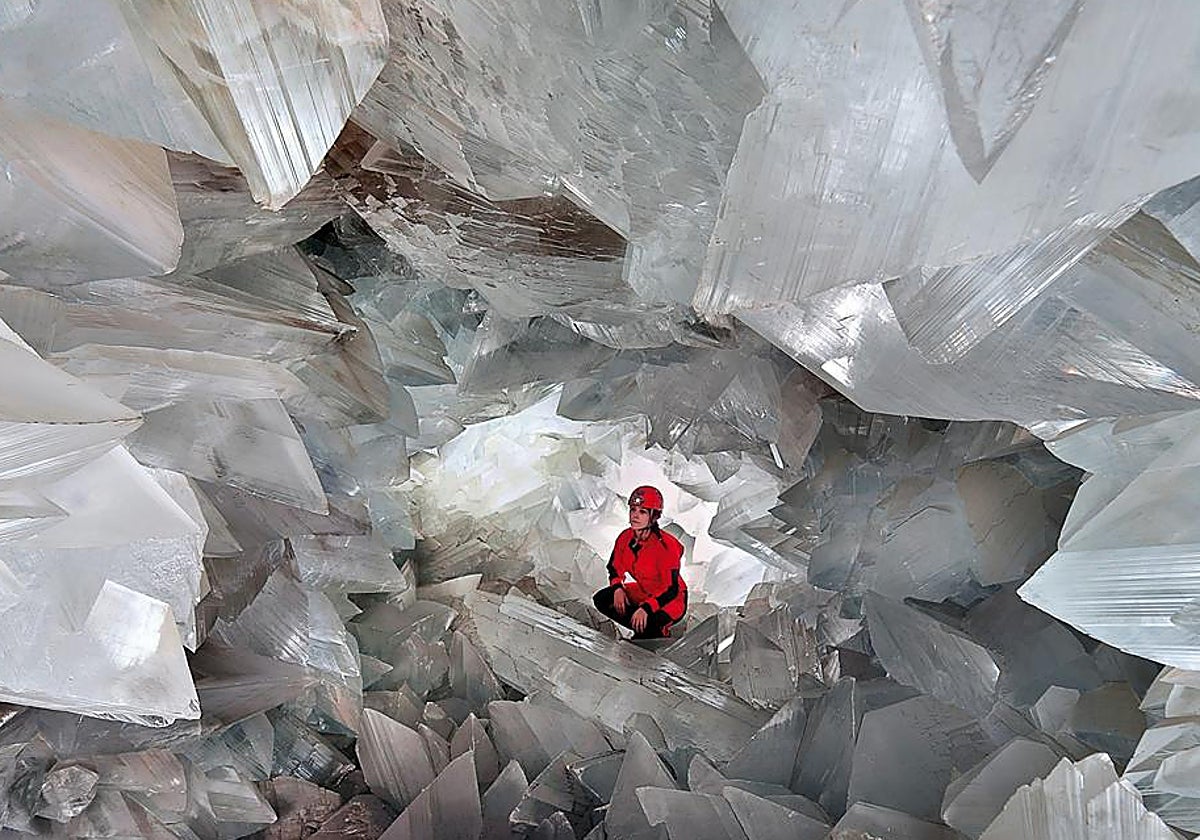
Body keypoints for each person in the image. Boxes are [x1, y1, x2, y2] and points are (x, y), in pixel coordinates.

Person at [593, 485, 688, 639]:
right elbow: (614, 567)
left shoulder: (666, 546)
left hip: (672, 600)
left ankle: (654, 631)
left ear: (654, 516)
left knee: (650, 624)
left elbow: (671, 589)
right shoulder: (625, 537)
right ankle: (640, 626)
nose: (635, 516)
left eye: (642, 512)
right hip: (644, 591)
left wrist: (646, 609)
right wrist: (618, 588)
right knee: (603, 599)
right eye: (633, 510)